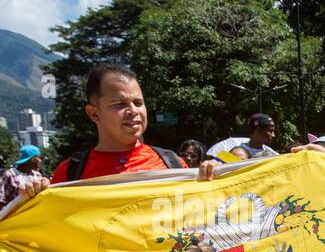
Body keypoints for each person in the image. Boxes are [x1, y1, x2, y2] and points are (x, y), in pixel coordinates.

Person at [44, 63, 217, 189]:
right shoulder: (69, 174)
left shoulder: (173, 164)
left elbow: (194, 223)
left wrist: (215, 179)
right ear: (94, 113)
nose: (133, 111)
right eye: (120, 104)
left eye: (138, 102)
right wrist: (32, 196)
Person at [0, 145, 44, 210]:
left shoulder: (37, 175)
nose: (40, 161)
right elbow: (1, 200)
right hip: (16, 216)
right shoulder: (10, 175)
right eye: (38, 158)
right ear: (31, 159)